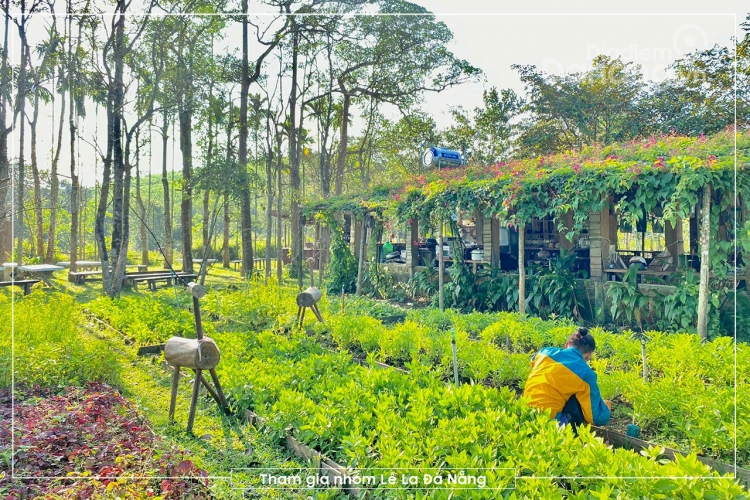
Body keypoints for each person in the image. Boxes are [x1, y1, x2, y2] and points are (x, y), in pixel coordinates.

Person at [523, 327, 611, 429]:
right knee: (578, 400)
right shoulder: (586, 373)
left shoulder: (544, 352)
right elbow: (597, 418)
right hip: (550, 422)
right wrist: (606, 407)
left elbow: (533, 361)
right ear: (588, 356)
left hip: (525, 412)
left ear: (567, 345)